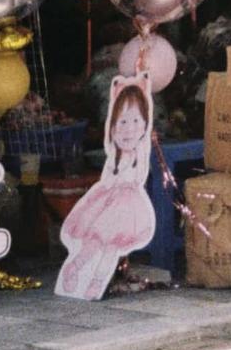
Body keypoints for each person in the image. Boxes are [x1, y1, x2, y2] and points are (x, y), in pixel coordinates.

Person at [57, 78, 157, 300]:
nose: (128, 129)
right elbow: (108, 177)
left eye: (135, 121)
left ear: (144, 125)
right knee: (94, 241)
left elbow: (140, 169)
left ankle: (97, 282)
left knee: (112, 247)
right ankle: (75, 267)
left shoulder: (139, 154)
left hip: (127, 208)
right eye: (122, 122)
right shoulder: (114, 154)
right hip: (107, 202)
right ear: (112, 126)